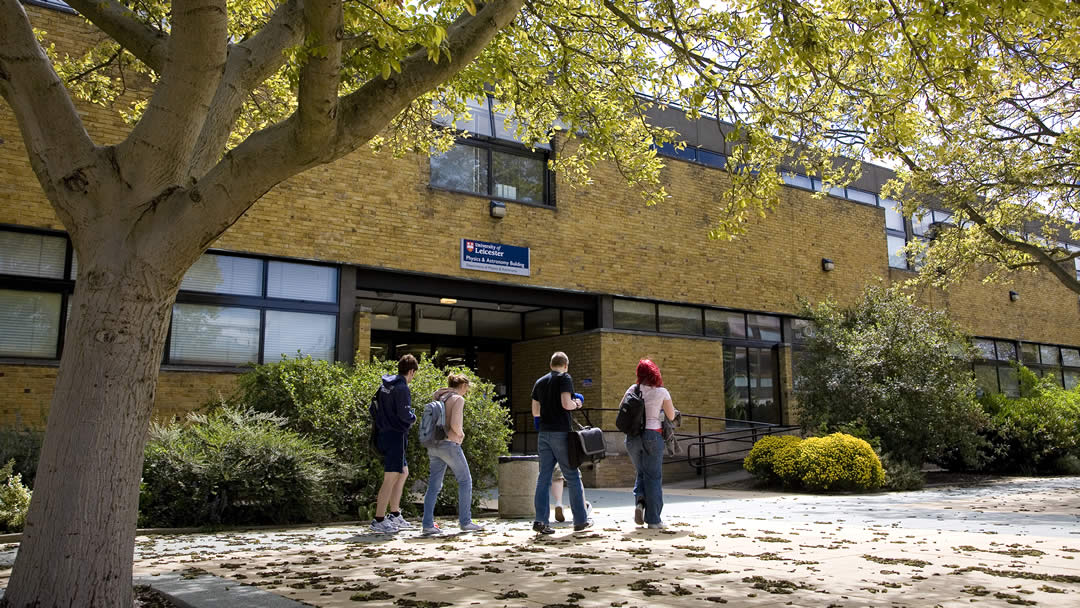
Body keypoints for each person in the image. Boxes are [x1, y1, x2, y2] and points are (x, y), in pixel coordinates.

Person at [531, 351, 592, 534]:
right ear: (566, 365)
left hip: (544, 433)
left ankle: (541, 521)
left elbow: (535, 411)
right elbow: (566, 403)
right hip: (561, 433)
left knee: (544, 477)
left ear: (551, 365)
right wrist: (577, 404)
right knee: (572, 476)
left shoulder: (539, 382)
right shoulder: (565, 378)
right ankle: (580, 520)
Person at [421, 373, 485, 535]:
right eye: (467, 388)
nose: (467, 392)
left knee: (434, 485)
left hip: (433, 444)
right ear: (463, 386)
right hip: (449, 445)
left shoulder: (439, 397)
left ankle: (427, 524)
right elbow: (455, 424)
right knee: (465, 481)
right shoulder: (458, 399)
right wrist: (461, 435)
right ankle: (465, 522)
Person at [624, 359, 676, 529]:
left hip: (632, 438)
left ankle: (639, 501)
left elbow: (621, 408)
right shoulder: (662, 392)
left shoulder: (633, 389)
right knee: (653, 477)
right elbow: (671, 416)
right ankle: (654, 520)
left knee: (641, 472)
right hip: (653, 435)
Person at [370, 354, 419, 533]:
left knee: (403, 472)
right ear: (412, 371)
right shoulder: (402, 388)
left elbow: (372, 408)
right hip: (396, 436)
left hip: (385, 434)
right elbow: (405, 415)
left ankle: (395, 514)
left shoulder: (385, 385)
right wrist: (413, 417)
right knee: (390, 477)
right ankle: (379, 519)